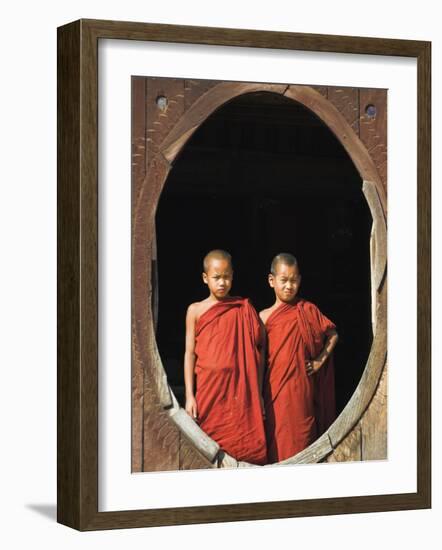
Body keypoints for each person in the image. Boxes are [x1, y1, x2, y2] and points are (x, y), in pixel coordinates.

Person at [184, 249, 267, 465]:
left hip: (240, 392)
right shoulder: (196, 310)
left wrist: (257, 392)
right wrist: (190, 395)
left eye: (227, 277)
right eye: (216, 277)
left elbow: (260, 345)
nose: (222, 283)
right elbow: (189, 353)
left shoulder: (243, 308)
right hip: (209, 390)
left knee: (244, 446)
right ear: (205, 278)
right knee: (207, 449)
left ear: (233, 276)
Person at [260, 253, 338, 463]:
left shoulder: (307, 310)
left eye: (294, 281)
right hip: (274, 391)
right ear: (271, 281)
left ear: (300, 281)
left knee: (303, 441)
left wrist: (320, 360)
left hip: (302, 391)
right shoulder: (264, 317)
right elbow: (257, 361)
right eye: (283, 280)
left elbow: (333, 334)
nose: (289, 286)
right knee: (278, 441)